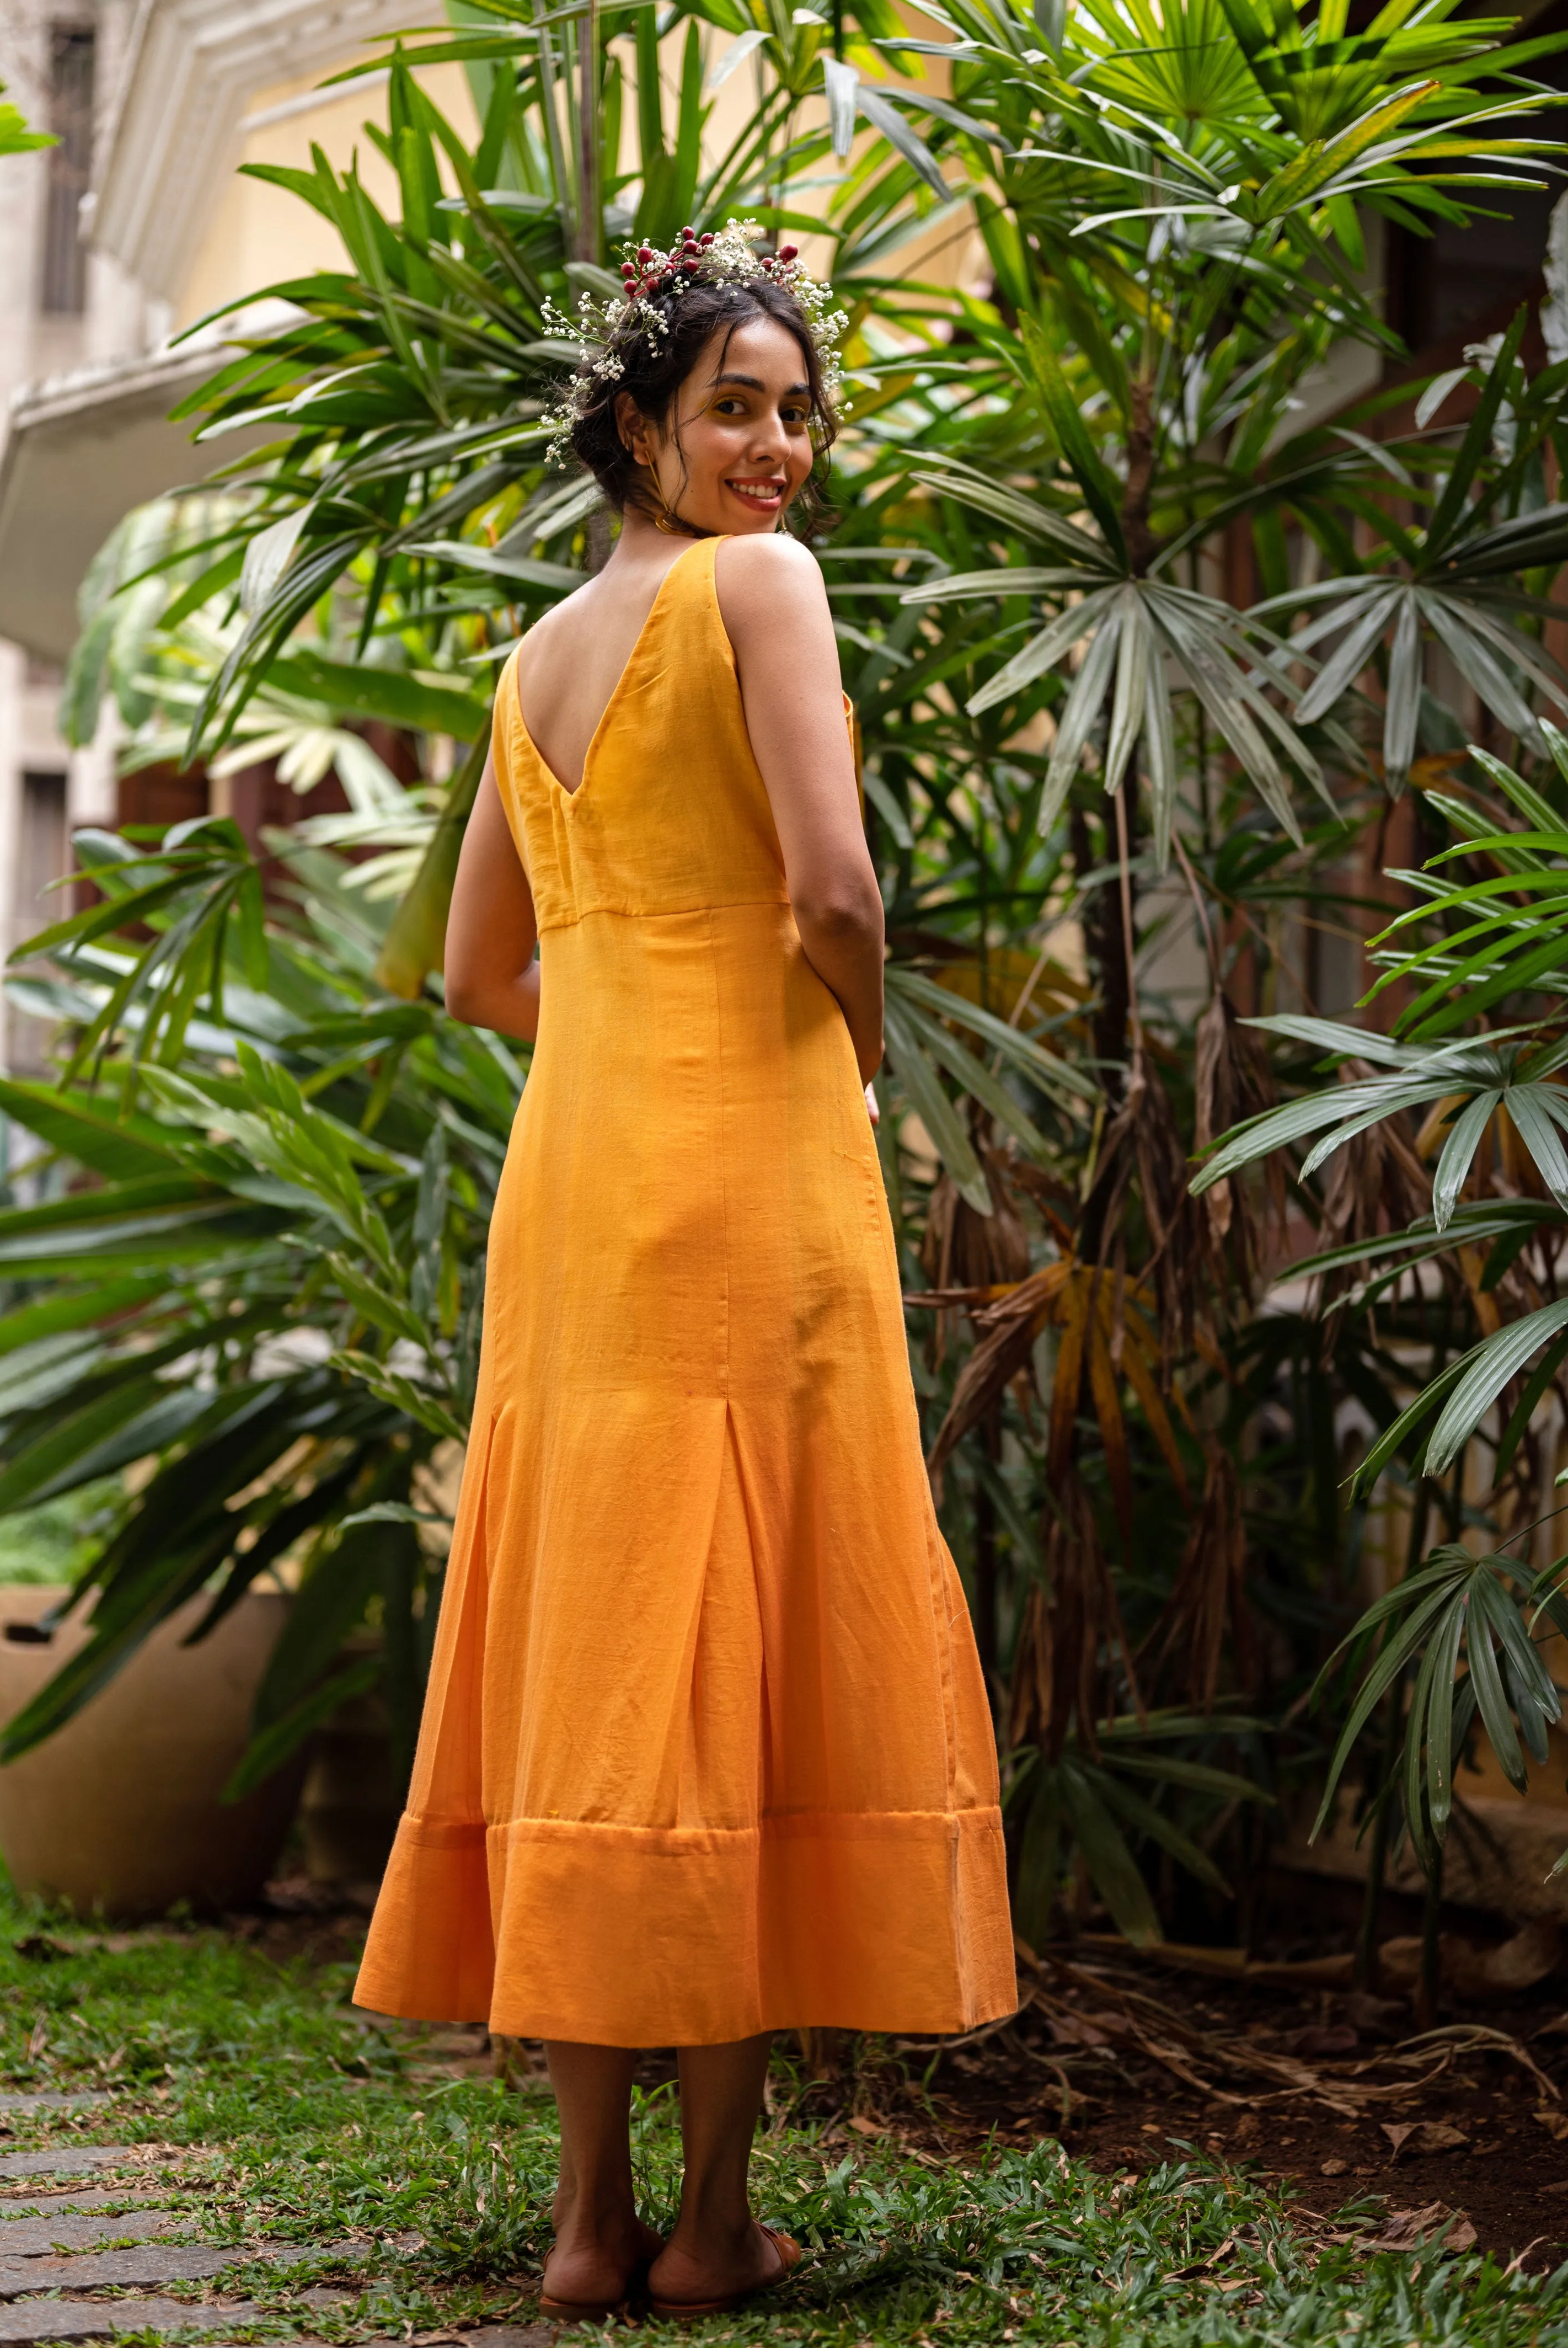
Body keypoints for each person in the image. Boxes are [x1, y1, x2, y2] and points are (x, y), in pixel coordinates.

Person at [352, 223, 1018, 2320]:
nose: (779, 446)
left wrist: (635, 1019)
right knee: (721, 1661)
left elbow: (476, 979)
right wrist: (857, 1036)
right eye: (735, 404)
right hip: (747, 1175)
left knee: (608, 1639)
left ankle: (581, 2224)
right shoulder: (767, 592)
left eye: (800, 411)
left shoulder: (532, 655)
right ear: (639, 425)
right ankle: (714, 2226)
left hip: (577, 1198)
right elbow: (835, 887)